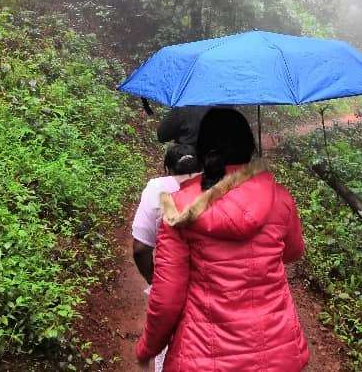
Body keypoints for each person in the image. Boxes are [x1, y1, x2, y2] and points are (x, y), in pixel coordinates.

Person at [135, 108, 309, 371]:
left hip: (201, 357)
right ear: (249, 148)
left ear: (203, 152)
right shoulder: (280, 198)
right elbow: (293, 252)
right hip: (278, 354)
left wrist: (147, 348)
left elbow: (167, 299)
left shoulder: (181, 208)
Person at [132, 144, 201, 372]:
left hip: (171, 285)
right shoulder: (217, 188)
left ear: (166, 167)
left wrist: (154, 281)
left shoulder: (157, 189)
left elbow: (141, 248)